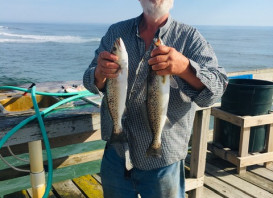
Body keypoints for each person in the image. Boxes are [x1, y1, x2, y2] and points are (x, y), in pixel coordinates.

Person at [83, 0, 228, 197]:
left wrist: (185, 68)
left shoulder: (190, 37)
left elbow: (217, 89)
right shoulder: (116, 32)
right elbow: (90, 81)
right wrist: (99, 73)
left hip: (164, 160)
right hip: (117, 152)